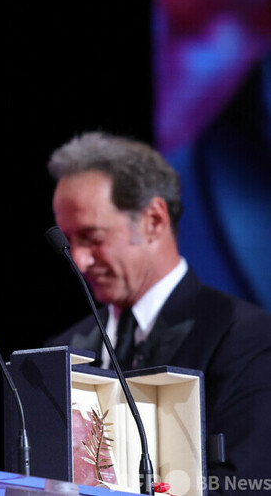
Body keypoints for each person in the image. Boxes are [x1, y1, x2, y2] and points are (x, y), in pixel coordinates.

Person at [44, 132, 271, 494]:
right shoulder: (60, 351)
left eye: (93, 237)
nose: (81, 261)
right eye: (70, 240)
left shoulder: (245, 338)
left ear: (153, 220)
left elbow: (246, 484)